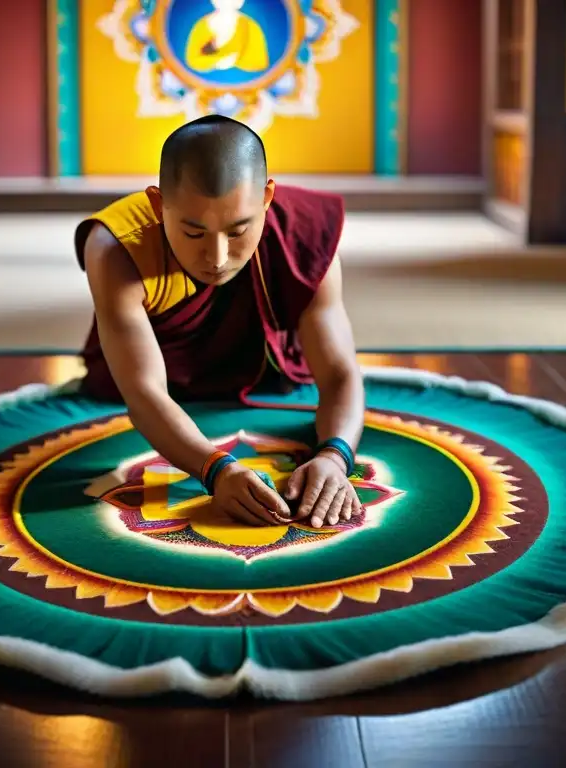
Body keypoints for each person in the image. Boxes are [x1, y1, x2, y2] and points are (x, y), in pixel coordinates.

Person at [73, 115, 364, 530]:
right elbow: (143, 393)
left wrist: (334, 456)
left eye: (239, 230)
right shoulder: (117, 248)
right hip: (161, 373)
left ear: (267, 198)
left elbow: (340, 372)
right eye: (193, 234)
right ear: (158, 206)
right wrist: (216, 470)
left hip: (265, 366)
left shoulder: (302, 233)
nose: (217, 257)